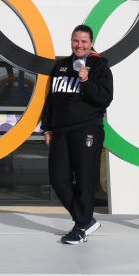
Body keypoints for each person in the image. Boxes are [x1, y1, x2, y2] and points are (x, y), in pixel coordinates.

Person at [41, 25, 113, 245]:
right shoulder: (61, 66)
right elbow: (52, 99)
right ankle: (85, 220)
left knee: (84, 179)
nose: (79, 45)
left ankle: (81, 226)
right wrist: (47, 127)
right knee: (58, 178)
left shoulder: (100, 67)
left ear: (91, 43)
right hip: (61, 131)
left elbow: (104, 99)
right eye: (75, 41)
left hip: (87, 128)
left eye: (83, 42)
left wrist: (85, 81)